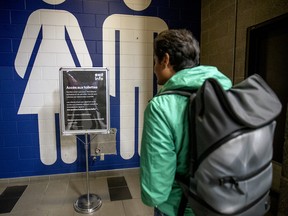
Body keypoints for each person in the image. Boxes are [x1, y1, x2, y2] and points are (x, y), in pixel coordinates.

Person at [140, 29, 232, 216]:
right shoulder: (227, 91)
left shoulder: (160, 107)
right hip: (224, 201)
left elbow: (154, 192)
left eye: (155, 61)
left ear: (165, 60)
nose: (154, 67)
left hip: (180, 209)